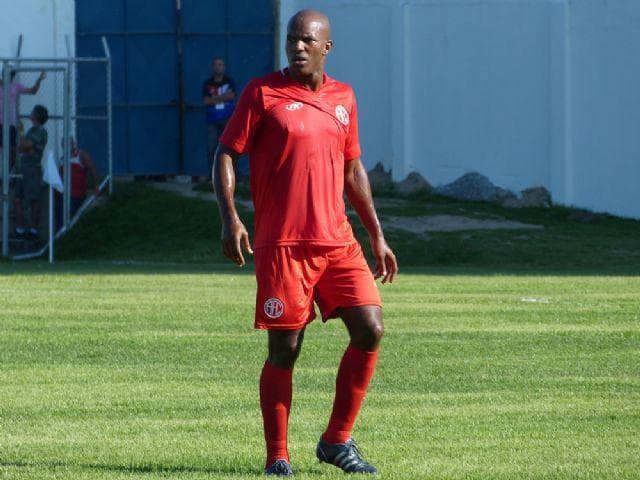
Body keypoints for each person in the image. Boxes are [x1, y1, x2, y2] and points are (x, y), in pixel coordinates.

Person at [213, 10, 398, 476]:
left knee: (370, 327)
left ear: (326, 47)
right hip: (283, 246)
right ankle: (278, 455)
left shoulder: (344, 98)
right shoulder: (261, 93)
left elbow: (354, 170)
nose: (296, 47)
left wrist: (376, 232)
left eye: (306, 40)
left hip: (337, 241)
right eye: (291, 39)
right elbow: (226, 155)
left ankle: (336, 441)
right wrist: (230, 217)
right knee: (285, 350)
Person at [13, 104, 48, 240]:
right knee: (17, 199)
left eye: (33, 112)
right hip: (23, 167)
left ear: (37, 115)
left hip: (33, 169)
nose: (30, 113)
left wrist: (22, 134)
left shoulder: (40, 131)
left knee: (33, 200)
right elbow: (23, 148)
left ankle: (33, 231)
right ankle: (20, 230)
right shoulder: (32, 130)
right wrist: (25, 146)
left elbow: (25, 146)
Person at [0, 70, 46, 168]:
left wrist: (39, 80)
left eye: (12, 76)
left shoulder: (15, 86)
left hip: (10, 123)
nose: (10, 78)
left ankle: (8, 174)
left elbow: (32, 91)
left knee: (11, 149)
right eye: (7, 75)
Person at [55, 137, 100, 228]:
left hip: (76, 194)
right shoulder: (62, 160)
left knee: (71, 219)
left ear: (73, 144)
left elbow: (92, 169)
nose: (66, 146)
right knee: (60, 220)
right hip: (63, 195)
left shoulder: (81, 155)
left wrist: (96, 186)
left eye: (68, 143)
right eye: (64, 144)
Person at [202, 56, 235, 177]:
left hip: (227, 119)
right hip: (212, 120)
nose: (218, 67)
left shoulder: (229, 81)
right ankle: (213, 177)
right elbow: (206, 101)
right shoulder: (208, 83)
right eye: (216, 64)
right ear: (212, 67)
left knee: (228, 148)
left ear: (224, 67)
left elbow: (231, 96)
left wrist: (214, 99)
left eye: (220, 64)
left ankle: (230, 176)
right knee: (212, 149)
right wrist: (223, 97)